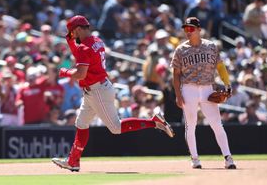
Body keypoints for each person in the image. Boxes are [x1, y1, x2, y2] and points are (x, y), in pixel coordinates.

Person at [51, 15, 175, 172]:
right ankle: (73, 161)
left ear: (77, 29)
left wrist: (65, 71)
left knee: (115, 128)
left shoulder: (84, 47)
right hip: (97, 89)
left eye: (72, 31)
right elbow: (81, 53)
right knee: (81, 124)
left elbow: (81, 73)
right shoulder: (96, 41)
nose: (71, 35)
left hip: (97, 91)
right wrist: (70, 39)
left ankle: (154, 122)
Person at [170, 17, 236, 169]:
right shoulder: (180, 49)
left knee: (217, 124)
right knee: (191, 125)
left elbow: (220, 66)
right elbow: (176, 75)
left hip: (207, 88)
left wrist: (227, 84)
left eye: (191, 28)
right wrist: (178, 95)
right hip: (189, 88)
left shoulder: (211, 46)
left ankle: (228, 158)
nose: (188, 31)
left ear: (199, 29)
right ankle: (195, 159)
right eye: (186, 29)